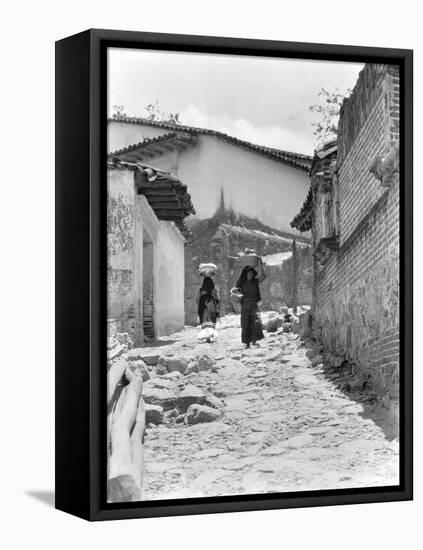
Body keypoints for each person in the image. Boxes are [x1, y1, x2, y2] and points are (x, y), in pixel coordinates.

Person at [235, 266, 264, 348]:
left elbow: (257, 291)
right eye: (249, 273)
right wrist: (238, 295)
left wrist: (259, 300)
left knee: (255, 322)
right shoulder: (241, 282)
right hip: (245, 305)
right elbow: (236, 291)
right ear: (246, 274)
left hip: (254, 304)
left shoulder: (255, 282)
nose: (250, 275)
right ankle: (247, 342)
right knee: (245, 323)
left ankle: (254, 340)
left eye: (251, 273)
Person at [197, 276, 220, 343]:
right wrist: (217, 312)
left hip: (204, 310)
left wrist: (199, 311)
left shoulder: (201, 291)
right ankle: (209, 337)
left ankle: (208, 338)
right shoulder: (214, 291)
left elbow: (198, 300)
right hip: (212, 310)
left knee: (205, 324)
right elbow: (217, 300)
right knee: (211, 324)